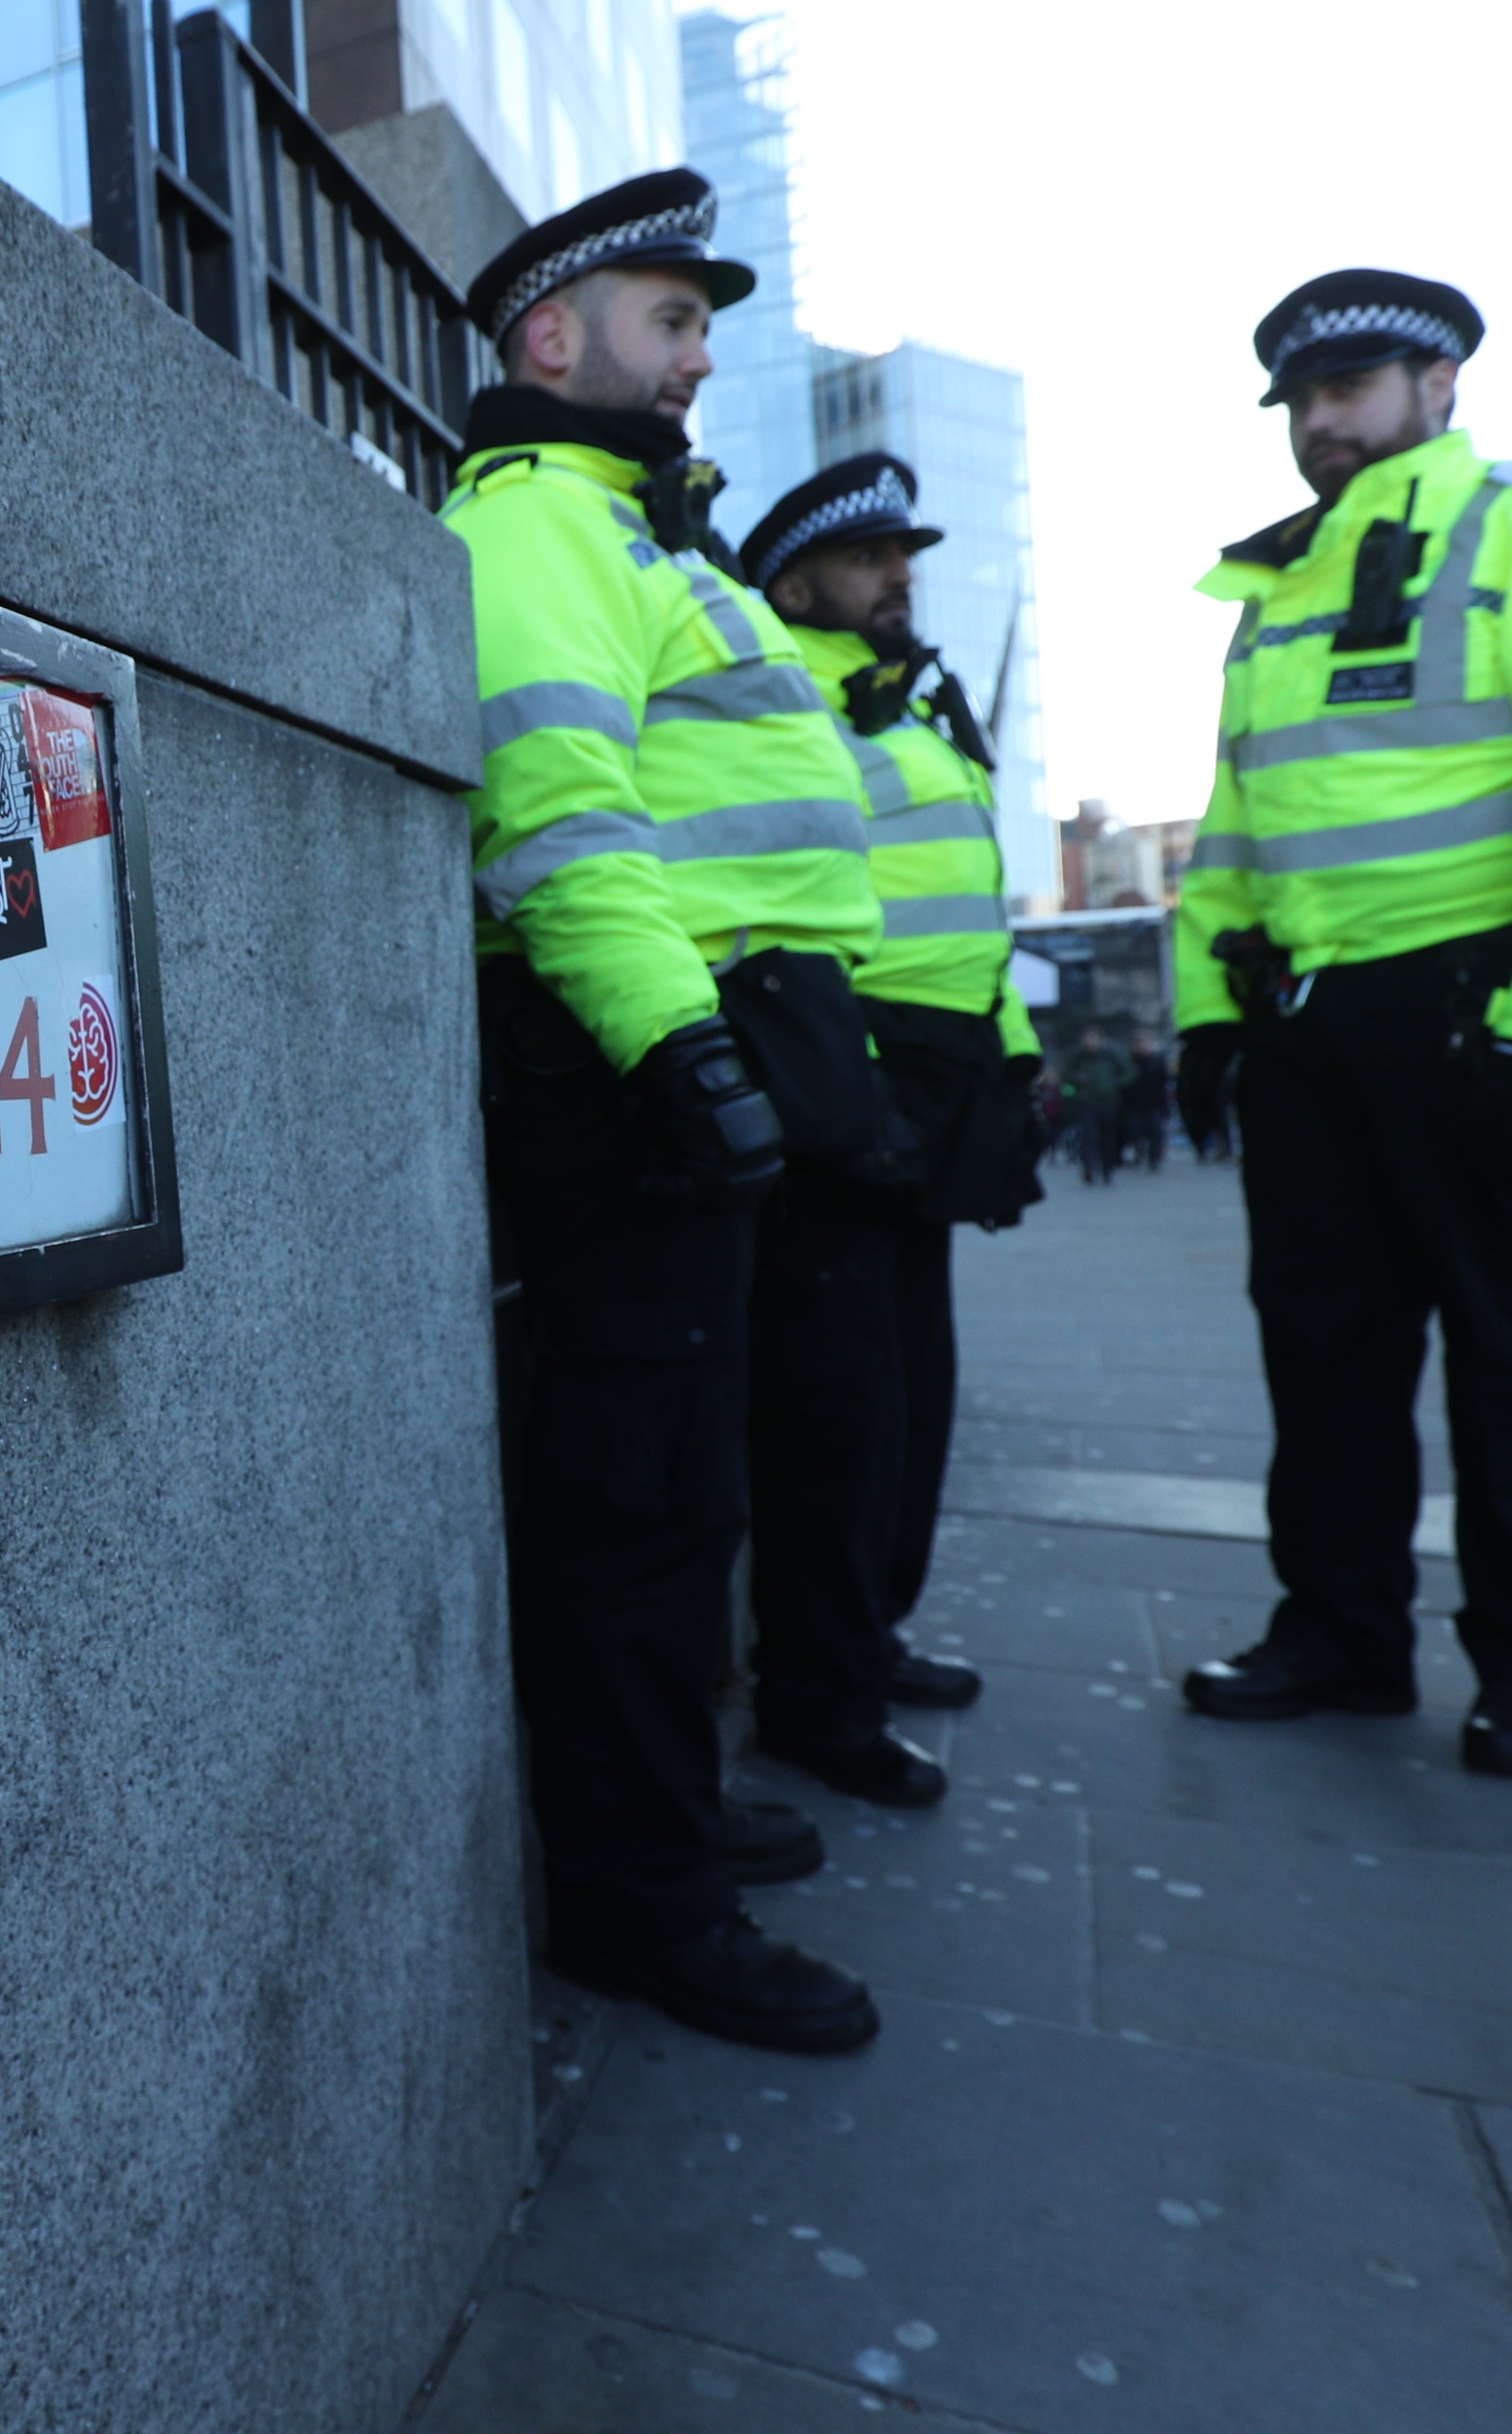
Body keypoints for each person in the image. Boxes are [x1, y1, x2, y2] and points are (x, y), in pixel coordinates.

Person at [451, 164, 895, 2054]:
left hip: (718, 1033)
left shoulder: (644, 539)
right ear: (549, 337)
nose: (697, 355)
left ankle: (673, 1811)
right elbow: (557, 805)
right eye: (667, 319)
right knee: (631, 1504)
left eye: (703, 323)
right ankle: (639, 1904)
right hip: (638, 1052)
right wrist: (670, 1043)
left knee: (689, 1476)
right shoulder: (535, 523)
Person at [1166, 270, 1512, 1781]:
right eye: (1303, 402)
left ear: (1441, 386)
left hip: (1480, 1007)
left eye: (1353, 389)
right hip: (1312, 1028)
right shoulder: (1276, 585)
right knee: (1324, 1357)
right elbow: (1236, 825)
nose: (1324, 423)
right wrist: (1213, 1012)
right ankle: (1339, 1634)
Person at [740, 452, 1049, 1723]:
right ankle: (820, 1684)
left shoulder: (907, 701)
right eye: (871, 561)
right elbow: (775, 911)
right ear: (796, 580)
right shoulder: (772, 698)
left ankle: (872, 1631)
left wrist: (1018, 1055)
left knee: (915, 1390)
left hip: (947, 1074)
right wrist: (848, 1085)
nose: (897, 580)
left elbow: (969, 903)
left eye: (904, 562)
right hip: (851, 1067)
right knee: (837, 1408)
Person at [1061, 1026, 1132, 1183]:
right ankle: (1089, 1168)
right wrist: (1076, 1080)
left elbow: (1129, 1072)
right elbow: (1065, 1075)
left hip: (1110, 1101)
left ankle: (1107, 1169)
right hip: (1088, 1102)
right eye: (1086, 1039)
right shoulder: (1078, 1056)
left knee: (1108, 1137)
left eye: (1093, 1038)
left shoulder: (1112, 1054)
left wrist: (1114, 1084)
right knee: (1089, 1137)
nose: (1090, 1042)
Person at [1125, 1032, 1171, 1172]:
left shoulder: (1158, 1061)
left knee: (1155, 1133)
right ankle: (1139, 1152)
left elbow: (1165, 1083)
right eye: (1139, 1044)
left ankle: (1154, 1159)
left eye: (1145, 1044)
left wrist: (1165, 1105)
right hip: (1134, 1105)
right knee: (1135, 1131)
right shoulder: (1129, 1062)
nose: (1142, 1047)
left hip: (1155, 1104)